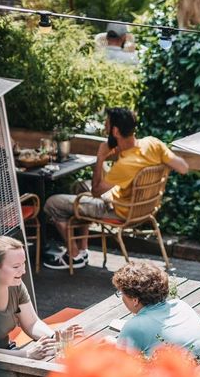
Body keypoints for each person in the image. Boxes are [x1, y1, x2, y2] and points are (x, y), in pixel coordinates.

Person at [43, 107, 189, 270]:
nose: (105, 128)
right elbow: (183, 167)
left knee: (52, 203)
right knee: (79, 186)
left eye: (106, 124)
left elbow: (96, 192)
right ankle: (83, 249)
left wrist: (101, 157)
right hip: (145, 208)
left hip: (120, 211)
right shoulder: (152, 143)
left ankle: (74, 255)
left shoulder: (126, 165)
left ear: (116, 131)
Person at [0, 236, 80, 358]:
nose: (23, 271)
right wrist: (26, 354)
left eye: (23, 263)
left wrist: (55, 337)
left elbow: (31, 323)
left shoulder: (16, 285)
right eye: (16, 266)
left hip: (8, 352)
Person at [112, 262, 200, 364]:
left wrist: (111, 345)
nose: (121, 297)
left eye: (121, 293)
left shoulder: (134, 326)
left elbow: (119, 368)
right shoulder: (181, 306)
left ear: (135, 300)